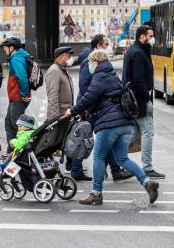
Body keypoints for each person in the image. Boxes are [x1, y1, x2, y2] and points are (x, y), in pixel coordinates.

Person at [66, 49, 159, 205]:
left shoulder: (99, 77)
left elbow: (87, 97)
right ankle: (146, 182)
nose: (89, 66)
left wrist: (72, 110)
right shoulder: (112, 75)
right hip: (125, 123)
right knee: (122, 158)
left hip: (109, 124)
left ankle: (96, 193)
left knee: (99, 157)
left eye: (90, 63)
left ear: (95, 63)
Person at [77, 34, 131, 182]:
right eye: (106, 44)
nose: (108, 47)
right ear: (98, 46)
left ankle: (115, 170)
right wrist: (87, 106)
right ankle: (77, 169)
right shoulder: (89, 62)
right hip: (90, 107)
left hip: (97, 107)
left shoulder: (99, 62)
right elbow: (85, 87)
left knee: (105, 139)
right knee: (83, 138)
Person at [124, 25, 165, 179]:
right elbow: (138, 79)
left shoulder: (137, 50)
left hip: (136, 100)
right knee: (148, 132)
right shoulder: (137, 53)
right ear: (142, 36)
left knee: (136, 131)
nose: (152, 38)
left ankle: (114, 157)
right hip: (139, 100)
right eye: (150, 35)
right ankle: (147, 167)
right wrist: (146, 99)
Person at [45, 46, 90, 181]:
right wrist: (54, 119)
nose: (70, 59)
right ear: (60, 57)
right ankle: (50, 168)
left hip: (67, 114)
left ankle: (72, 167)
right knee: (57, 144)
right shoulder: (54, 71)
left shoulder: (61, 70)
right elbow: (52, 97)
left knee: (70, 142)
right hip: (60, 116)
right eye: (68, 56)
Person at [1, 37, 31, 157]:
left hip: (18, 97)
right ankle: (11, 150)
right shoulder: (20, 56)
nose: (4, 50)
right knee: (9, 122)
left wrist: (23, 94)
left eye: (5, 48)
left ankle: (21, 152)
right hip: (16, 97)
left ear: (11, 48)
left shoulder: (16, 59)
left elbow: (22, 77)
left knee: (16, 124)